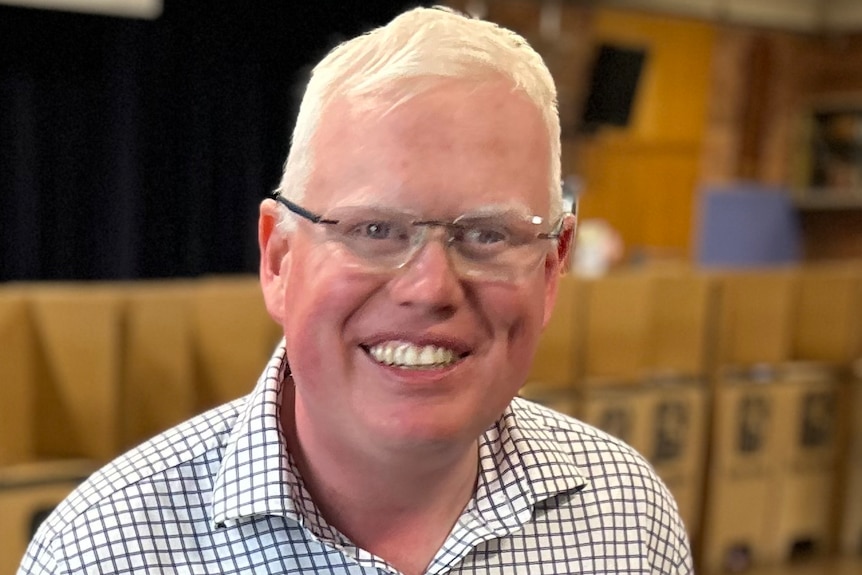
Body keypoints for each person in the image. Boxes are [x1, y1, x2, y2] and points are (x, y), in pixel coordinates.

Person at [19, 6, 692, 574]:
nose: (430, 287)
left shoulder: (628, 519)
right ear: (279, 256)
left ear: (551, 268)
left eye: (487, 234)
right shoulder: (104, 551)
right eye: (376, 228)